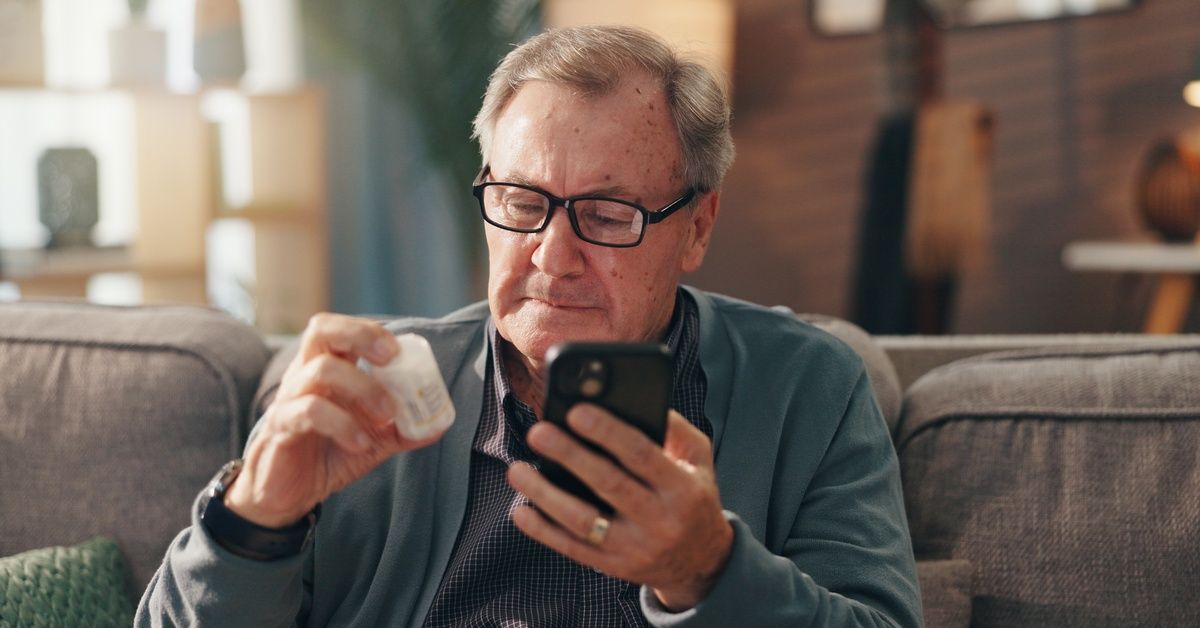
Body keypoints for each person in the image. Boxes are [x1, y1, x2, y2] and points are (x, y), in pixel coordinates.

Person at [138, 25, 921, 627]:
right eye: (521, 203)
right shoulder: (365, 391)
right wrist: (252, 525)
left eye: (608, 214)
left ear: (698, 226)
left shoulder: (810, 385)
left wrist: (708, 571)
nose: (553, 254)